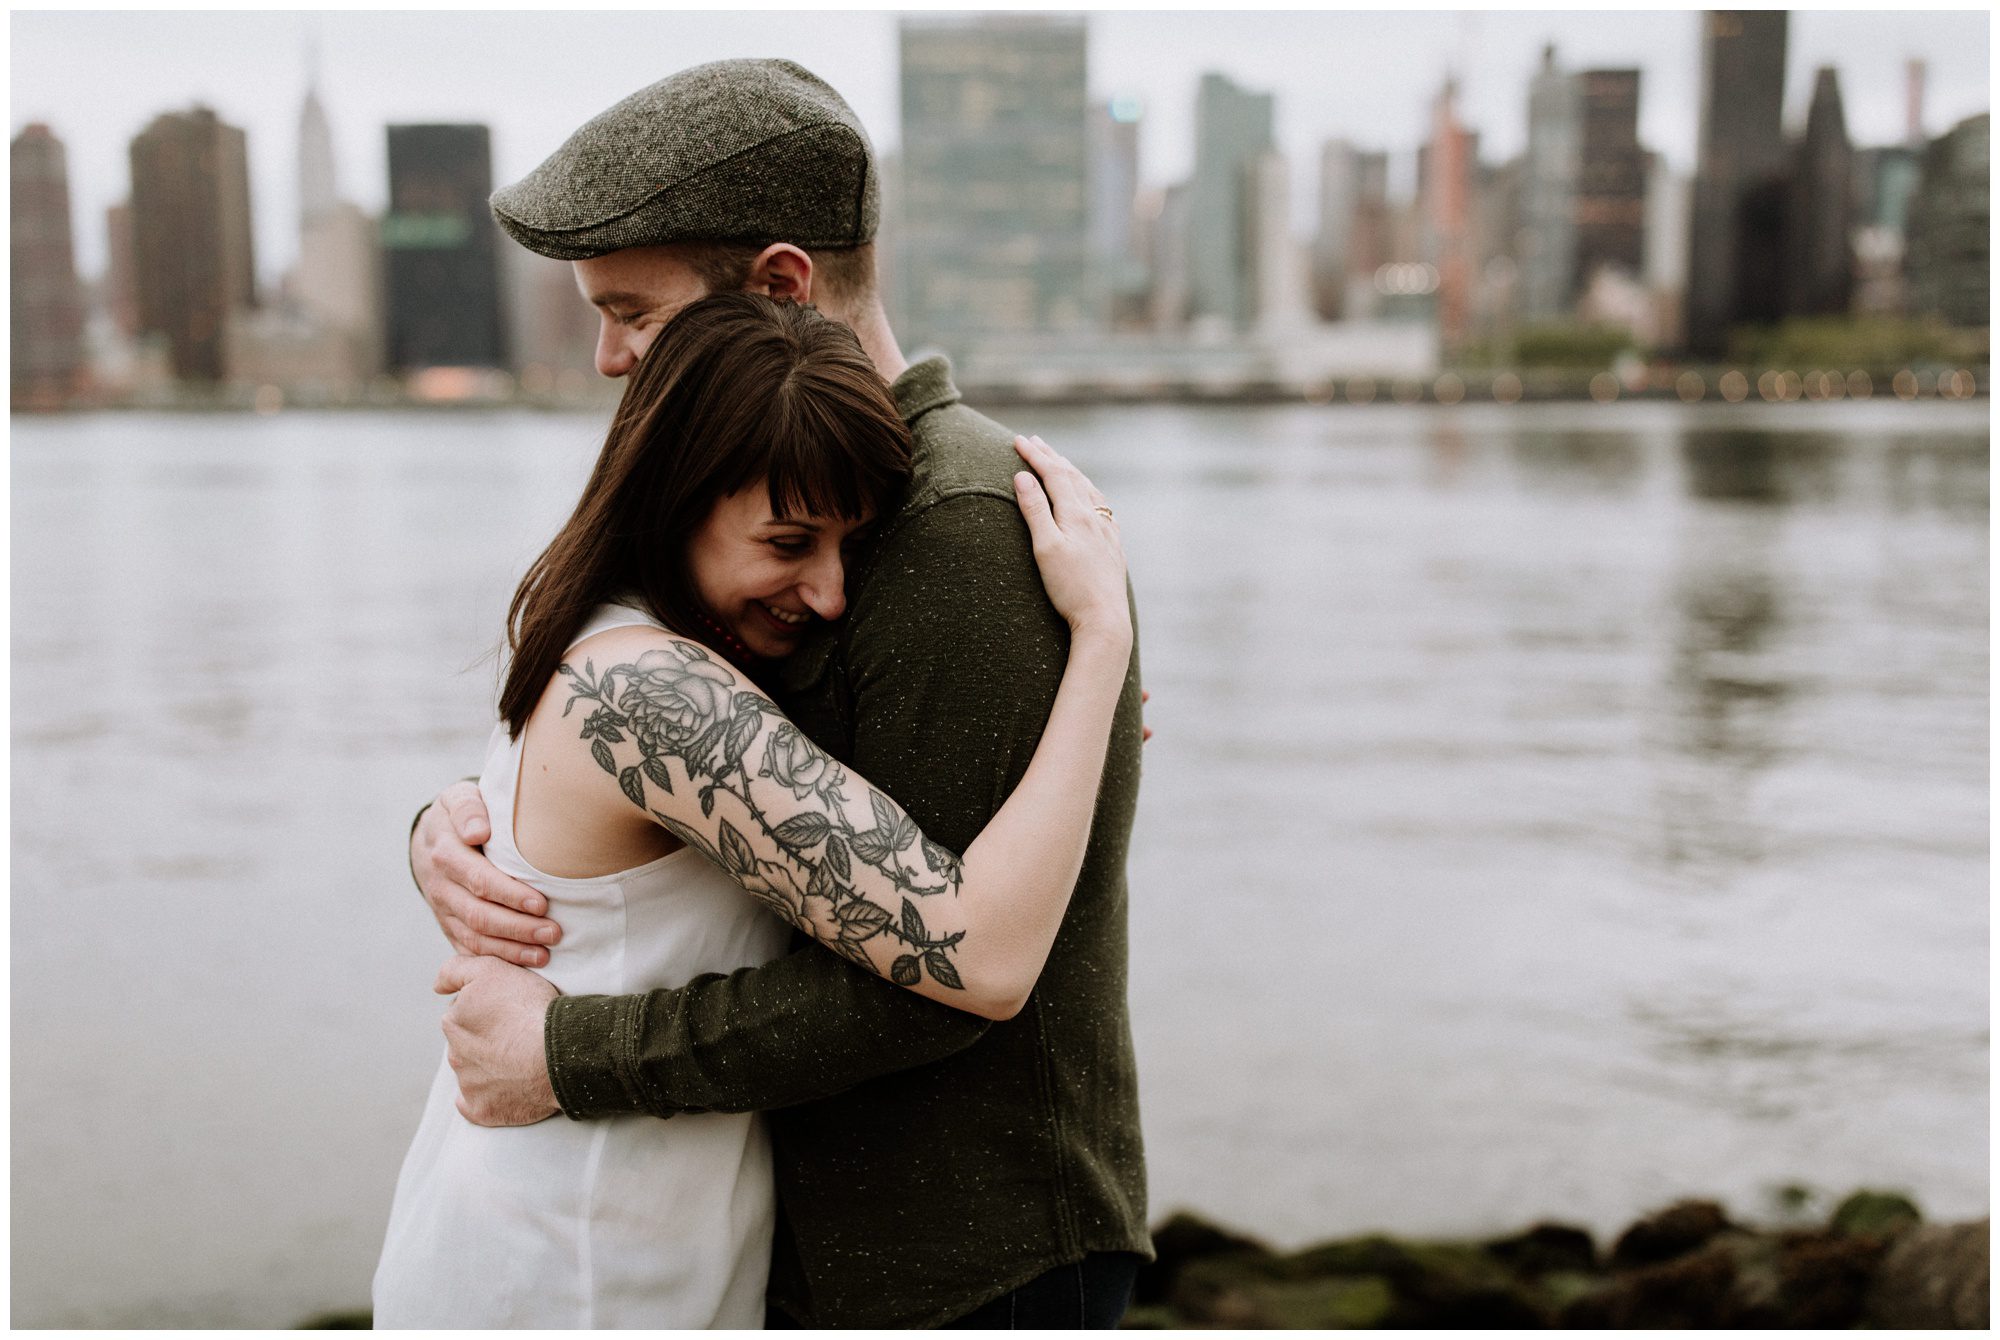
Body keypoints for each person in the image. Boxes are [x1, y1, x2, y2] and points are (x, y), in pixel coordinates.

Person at [406, 59, 1151, 1328]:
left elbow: (951, 967)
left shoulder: (960, 528)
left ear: (779, 286)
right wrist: (464, 825)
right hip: (800, 1247)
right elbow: (650, 764)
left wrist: (560, 1052)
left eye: (632, 309)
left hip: (964, 1261)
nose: (604, 356)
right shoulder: (746, 502)